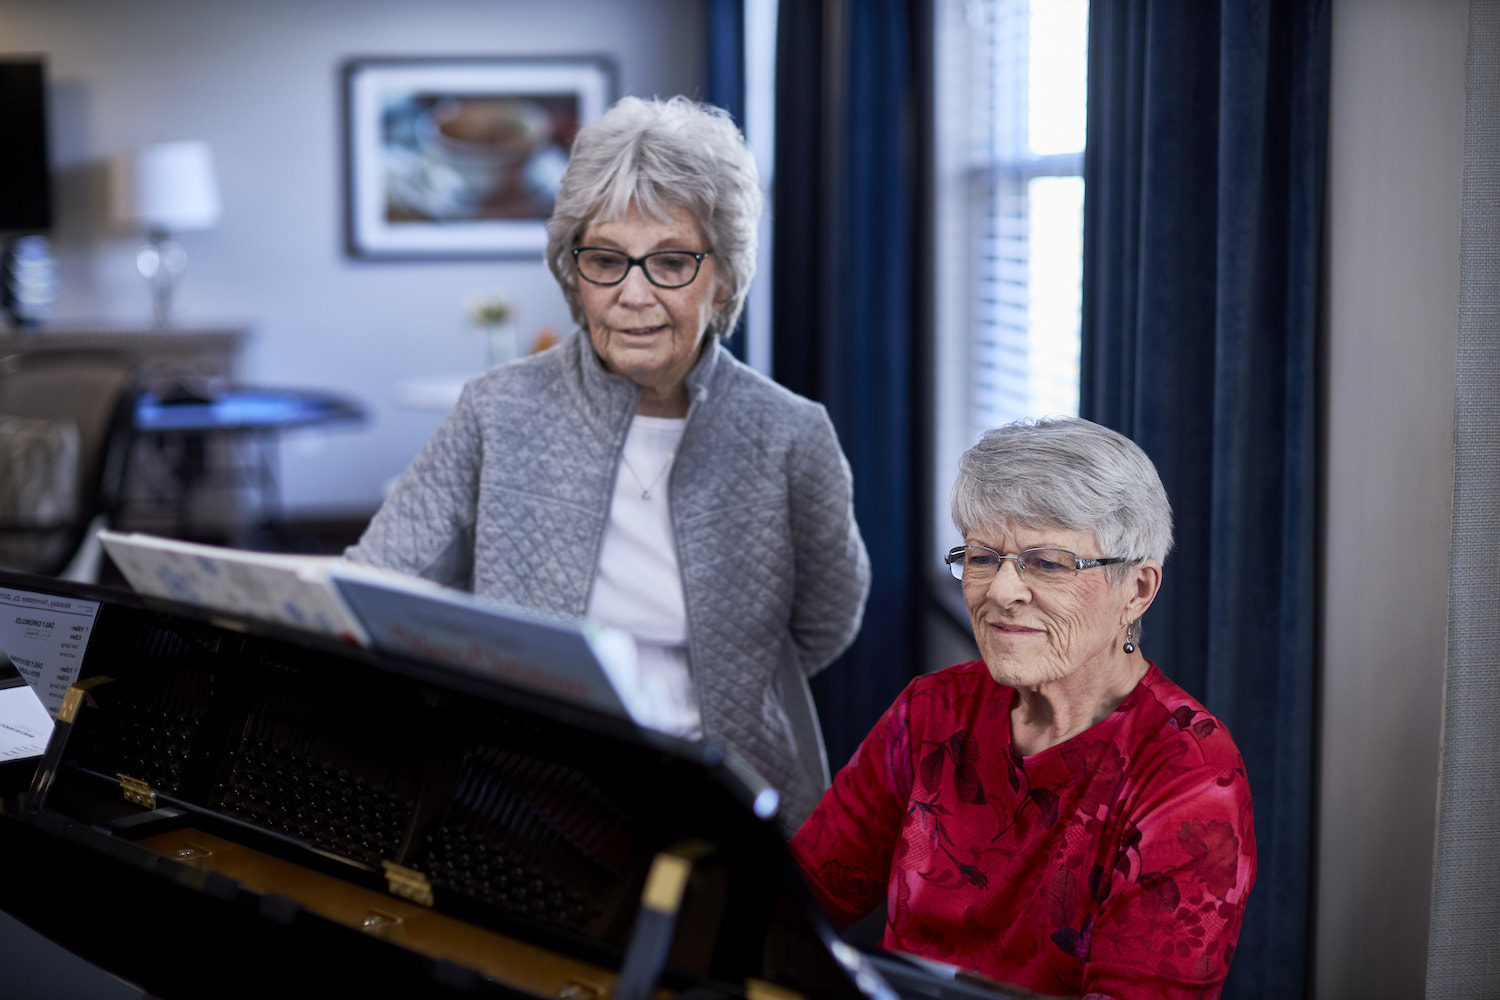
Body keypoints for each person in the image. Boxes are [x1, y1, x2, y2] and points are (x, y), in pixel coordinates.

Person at [346, 95, 870, 830]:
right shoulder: (496, 411)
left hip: (735, 798)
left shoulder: (789, 433)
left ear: (722, 276)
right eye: (606, 260)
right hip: (527, 793)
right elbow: (376, 583)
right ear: (573, 268)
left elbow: (828, 619)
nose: (633, 294)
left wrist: (731, 687)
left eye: (670, 262)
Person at [789, 418, 1254, 998]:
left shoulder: (1189, 777)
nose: (1001, 590)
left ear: (1136, 591)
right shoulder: (932, 711)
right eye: (983, 558)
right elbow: (791, 904)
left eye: (1049, 563)